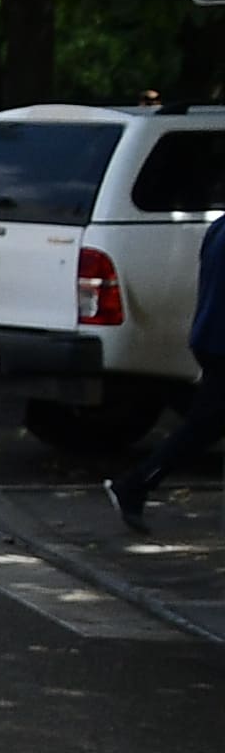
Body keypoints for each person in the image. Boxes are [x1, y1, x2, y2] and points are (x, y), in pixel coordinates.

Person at [107, 202, 225, 529]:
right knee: (203, 426)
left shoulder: (219, 227)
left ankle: (135, 486)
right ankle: (135, 485)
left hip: (208, 336)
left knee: (206, 424)